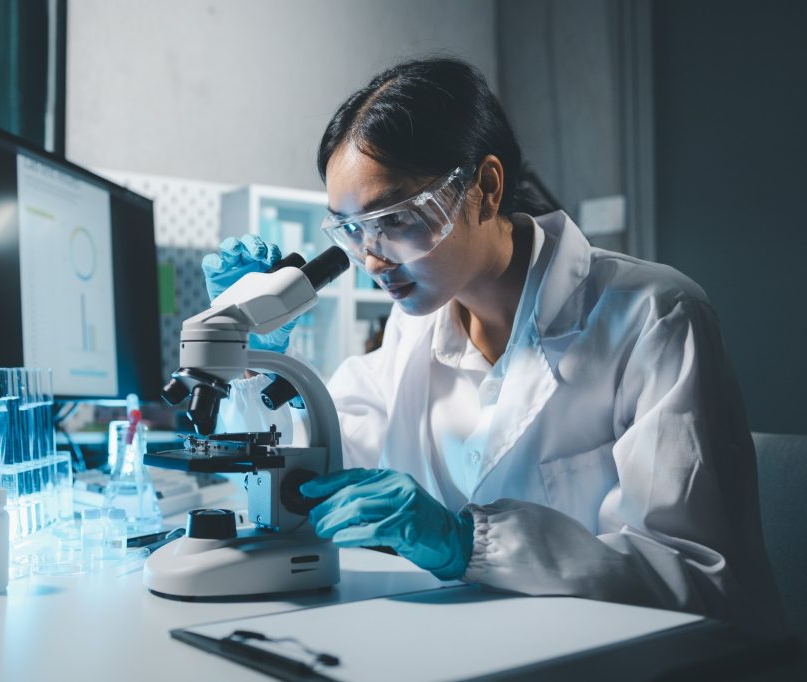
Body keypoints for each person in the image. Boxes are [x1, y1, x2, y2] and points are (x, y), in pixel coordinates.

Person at [202, 58, 783, 631]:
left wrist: (471, 543)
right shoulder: (412, 328)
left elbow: (698, 577)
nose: (373, 260)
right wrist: (258, 361)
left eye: (396, 219)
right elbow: (319, 466)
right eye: (352, 230)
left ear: (484, 186)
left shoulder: (654, 316)